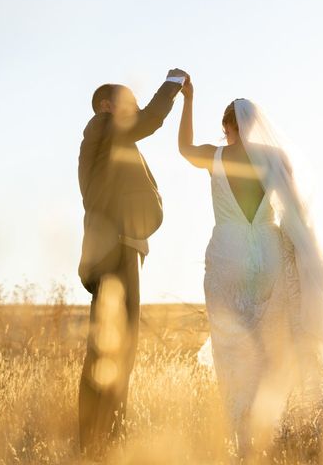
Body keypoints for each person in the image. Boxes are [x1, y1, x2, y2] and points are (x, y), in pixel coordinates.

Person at [177, 78, 323, 458]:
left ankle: (243, 435)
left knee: (232, 348)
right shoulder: (275, 159)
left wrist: (188, 100)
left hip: (227, 257)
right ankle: (270, 426)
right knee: (272, 347)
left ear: (229, 127)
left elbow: (183, 148)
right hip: (268, 253)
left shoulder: (215, 156)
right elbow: (297, 213)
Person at [77, 69, 186, 458]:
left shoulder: (110, 139)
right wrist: (174, 81)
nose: (133, 109)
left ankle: (104, 438)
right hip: (116, 253)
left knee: (116, 347)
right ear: (108, 107)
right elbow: (150, 119)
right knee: (113, 349)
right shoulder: (104, 127)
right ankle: (99, 440)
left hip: (121, 250)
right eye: (128, 103)